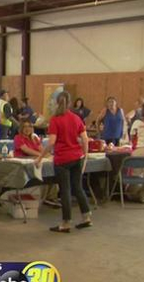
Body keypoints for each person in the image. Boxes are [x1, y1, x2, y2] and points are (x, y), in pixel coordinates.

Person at [36, 92, 92, 233]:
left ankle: (66, 222)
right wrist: (85, 154)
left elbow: (52, 142)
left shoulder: (55, 120)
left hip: (62, 159)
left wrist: (40, 157)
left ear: (56, 103)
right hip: (76, 157)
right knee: (77, 187)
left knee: (65, 190)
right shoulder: (76, 118)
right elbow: (85, 139)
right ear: (70, 103)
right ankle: (86, 216)